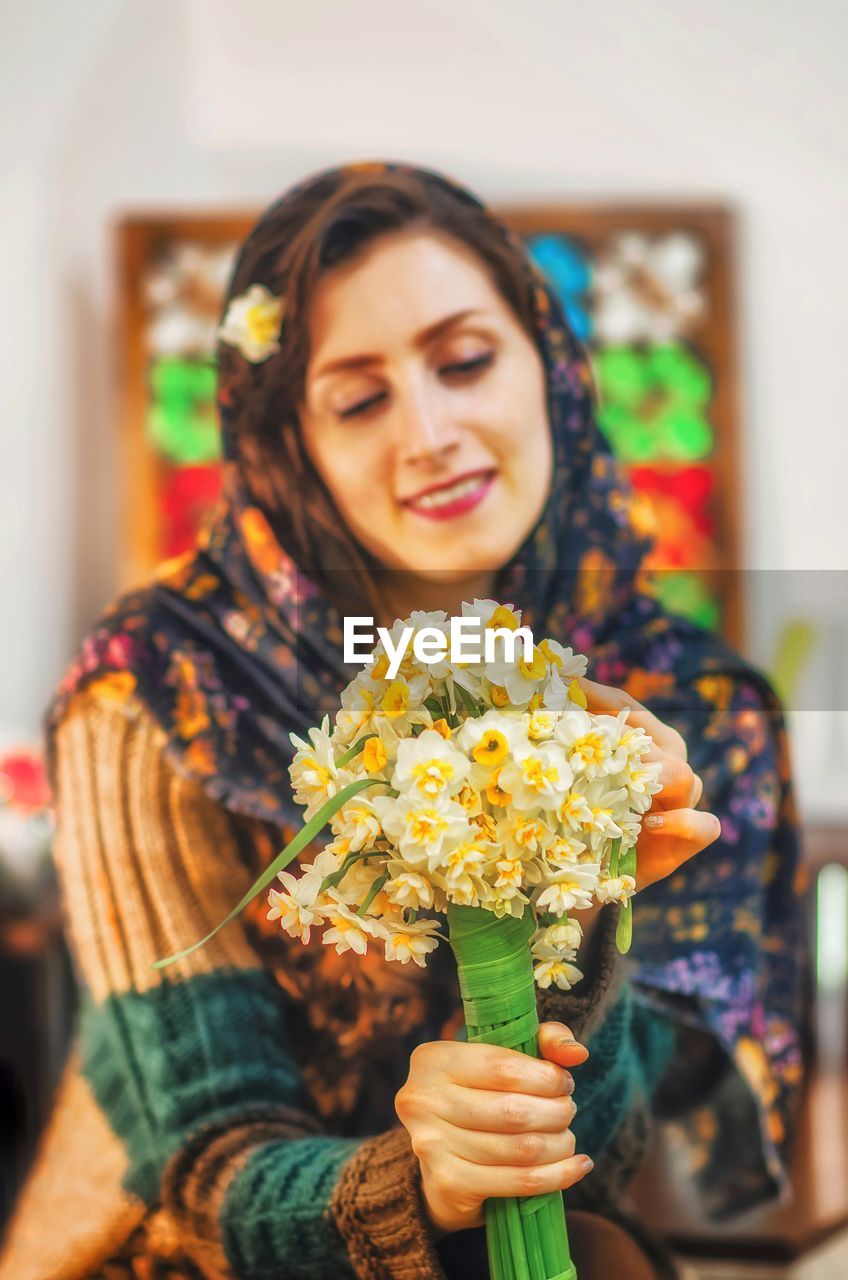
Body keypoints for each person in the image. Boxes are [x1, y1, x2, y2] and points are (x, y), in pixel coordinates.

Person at [0, 160, 805, 1280]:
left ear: (548, 367)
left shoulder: (680, 706)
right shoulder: (167, 686)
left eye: (465, 360)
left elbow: (620, 1152)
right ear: (294, 446)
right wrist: (414, 1178)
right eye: (358, 397)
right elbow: (200, 1160)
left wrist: (575, 919)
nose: (428, 431)